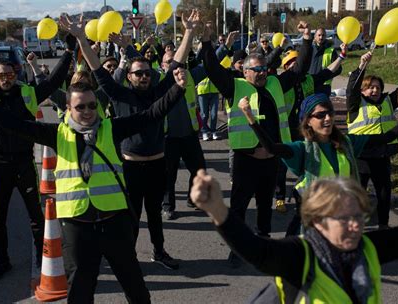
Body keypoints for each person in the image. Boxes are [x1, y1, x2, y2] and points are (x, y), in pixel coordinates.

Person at [0, 63, 187, 302]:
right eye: (80, 106)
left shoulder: (110, 129)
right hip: (78, 227)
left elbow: (151, 114)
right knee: (81, 292)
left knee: (135, 288)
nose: (87, 111)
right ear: (68, 108)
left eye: (92, 105)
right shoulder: (56, 134)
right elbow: (12, 123)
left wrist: (178, 88)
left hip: (114, 222)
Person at [190, 171, 398, 303]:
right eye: (344, 219)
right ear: (317, 221)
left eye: (359, 217)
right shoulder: (301, 257)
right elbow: (258, 251)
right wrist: (217, 209)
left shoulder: (367, 247)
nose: (355, 226)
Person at [60, 12, 185, 269]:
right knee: (131, 216)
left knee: (155, 216)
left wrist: (191, 33)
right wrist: (82, 38)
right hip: (130, 167)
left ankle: (159, 251)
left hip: (157, 164)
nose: (144, 77)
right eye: (138, 74)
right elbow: (96, 68)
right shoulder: (118, 94)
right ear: (128, 76)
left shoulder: (157, 91)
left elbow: (176, 65)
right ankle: (128, 257)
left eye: (147, 73)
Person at [202, 20, 312, 267]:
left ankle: (263, 244)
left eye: (264, 69)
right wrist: (207, 40)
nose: (262, 73)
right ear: (245, 72)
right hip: (245, 160)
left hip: (271, 160)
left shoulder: (275, 83)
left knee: (265, 207)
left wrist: (305, 40)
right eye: (257, 70)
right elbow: (211, 68)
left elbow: (299, 70)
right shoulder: (235, 86)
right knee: (239, 208)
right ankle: (238, 249)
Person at [0, 36, 73, 281]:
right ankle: (3, 260)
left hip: (25, 164)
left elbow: (53, 82)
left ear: (15, 74)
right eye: (0, 76)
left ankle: (41, 257)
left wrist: (70, 51)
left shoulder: (28, 93)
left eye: (9, 74)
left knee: (36, 218)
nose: (5, 79)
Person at [240, 93, 398, 235]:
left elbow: (385, 138)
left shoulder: (347, 143)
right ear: (308, 120)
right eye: (320, 115)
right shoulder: (302, 149)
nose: (327, 118)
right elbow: (271, 147)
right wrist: (249, 116)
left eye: (330, 113)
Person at [346, 48, 398, 229]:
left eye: (378, 87)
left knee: (383, 193)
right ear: (363, 91)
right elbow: (351, 89)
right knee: (358, 194)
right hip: (361, 155)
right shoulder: (355, 104)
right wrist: (361, 66)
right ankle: (353, 226)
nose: (375, 90)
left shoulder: (388, 101)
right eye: (370, 87)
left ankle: (383, 224)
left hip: (382, 154)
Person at [273, 44, 347, 213]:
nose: (295, 65)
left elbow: (327, 72)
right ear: (286, 67)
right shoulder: (281, 83)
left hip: (306, 128)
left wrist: (341, 57)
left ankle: (304, 193)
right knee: (282, 166)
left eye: (297, 62)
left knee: (309, 161)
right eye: (291, 63)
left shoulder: (309, 80)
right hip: (286, 129)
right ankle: (280, 198)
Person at [161, 10, 207, 220]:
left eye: (177, 63)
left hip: (189, 135)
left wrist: (212, 43)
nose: (175, 66)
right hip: (168, 138)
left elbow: (209, 67)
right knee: (168, 176)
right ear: (163, 66)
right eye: (170, 63)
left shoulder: (189, 76)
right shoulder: (158, 83)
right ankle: (168, 206)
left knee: (199, 170)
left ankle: (193, 198)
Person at [308, 28, 342, 96]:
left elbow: (338, 69)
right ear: (315, 36)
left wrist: (326, 76)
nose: (321, 37)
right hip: (309, 85)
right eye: (319, 35)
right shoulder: (310, 50)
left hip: (324, 86)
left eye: (323, 35)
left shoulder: (331, 50)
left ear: (326, 36)